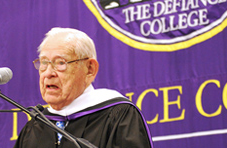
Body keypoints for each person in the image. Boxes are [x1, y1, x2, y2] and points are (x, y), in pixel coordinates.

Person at [14, 27, 153, 148]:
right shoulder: (34, 128)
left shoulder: (118, 115)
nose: (48, 73)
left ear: (90, 69)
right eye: (44, 63)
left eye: (61, 63)